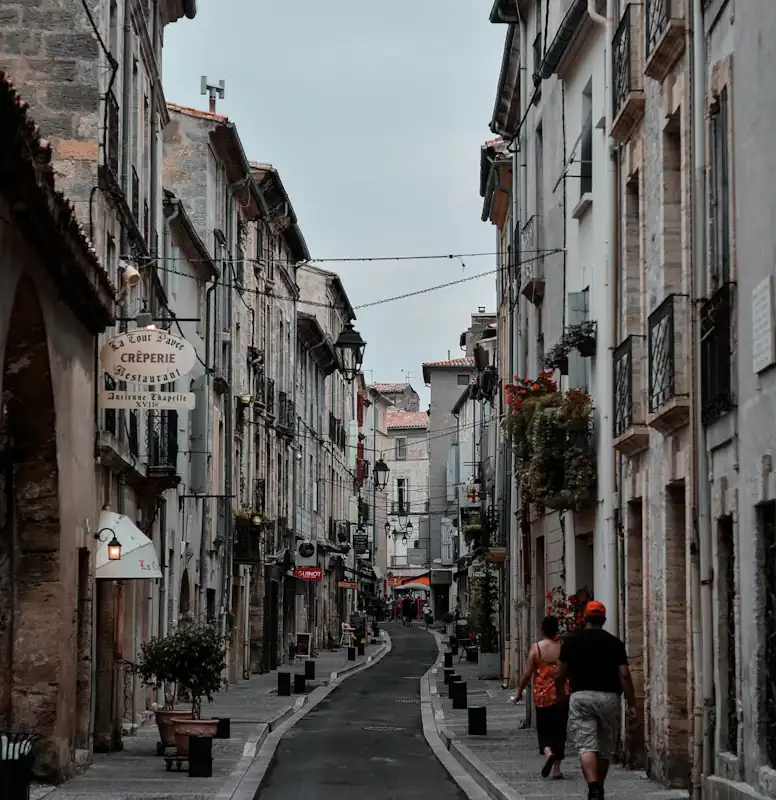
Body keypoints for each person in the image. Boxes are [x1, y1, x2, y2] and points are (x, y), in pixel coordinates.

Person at [555, 601, 637, 800]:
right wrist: (632, 703)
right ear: (604, 620)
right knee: (605, 746)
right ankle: (599, 785)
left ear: (585, 618)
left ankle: (593, 787)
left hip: (581, 697)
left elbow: (559, 673)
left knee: (586, 745)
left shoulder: (572, 642)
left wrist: (560, 695)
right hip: (609, 697)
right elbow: (624, 674)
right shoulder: (614, 643)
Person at [515, 616, 569, 779]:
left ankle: (547, 752)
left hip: (542, 695)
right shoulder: (563, 647)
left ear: (542, 630)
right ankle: (557, 769)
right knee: (560, 731)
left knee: (544, 729)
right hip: (561, 694)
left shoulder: (537, 649)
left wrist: (519, 691)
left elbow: (527, 674)